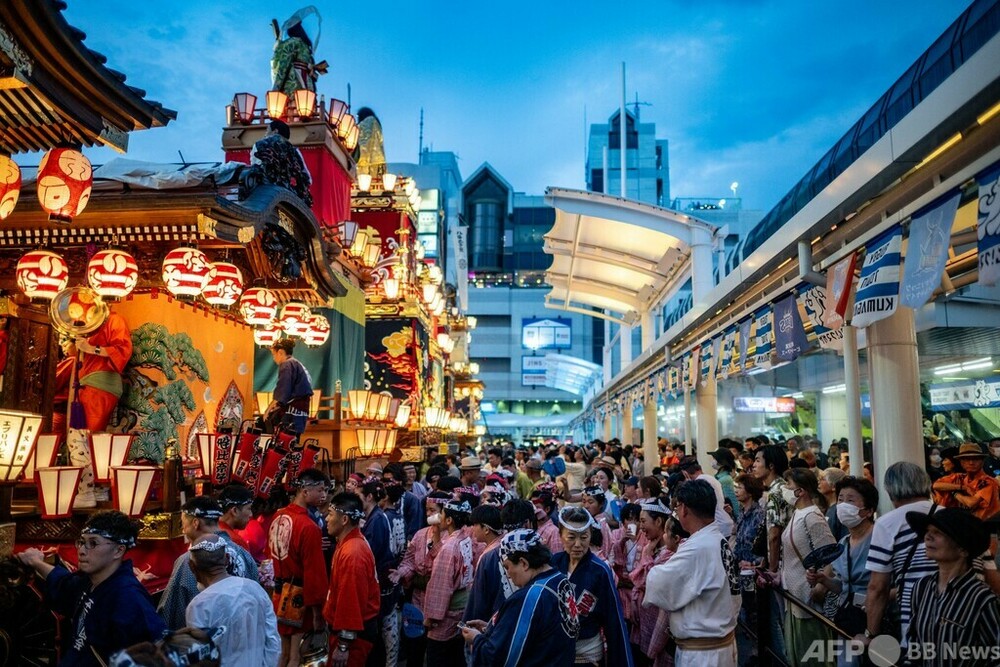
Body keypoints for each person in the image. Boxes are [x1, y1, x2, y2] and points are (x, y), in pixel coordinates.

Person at [16, 510, 166, 666]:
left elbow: (154, 652)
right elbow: (64, 583)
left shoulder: (128, 597)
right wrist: (36, 562)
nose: (81, 550)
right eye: (81, 542)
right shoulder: (92, 581)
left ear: (118, 550)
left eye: (93, 543)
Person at [645, 480, 741, 667]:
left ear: (684, 509)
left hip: (704, 656)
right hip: (716, 647)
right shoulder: (715, 538)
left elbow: (658, 583)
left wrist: (650, 558)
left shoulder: (699, 547)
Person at [462, 529, 579, 666]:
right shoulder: (561, 580)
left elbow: (497, 656)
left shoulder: (529, 597)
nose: (508, 574)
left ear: (523, 563)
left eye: (507, 567)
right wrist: (493, 628)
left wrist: (476, 639)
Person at [904, 508, 1000, 666]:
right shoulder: (921, 588)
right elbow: (914, 646)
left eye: (938, 532)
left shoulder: (982, 599)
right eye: (928, 531)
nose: (927, 537)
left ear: (963, 549)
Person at [157, 496, 258, 631]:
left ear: (195, 523)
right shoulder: (244, 555)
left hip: (204, 642)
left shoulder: (190, 560)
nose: (183, 530)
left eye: (183, 524)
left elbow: (172, 614)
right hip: (244, 639)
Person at [806, 477, 877, 665]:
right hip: (848, 621)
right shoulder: (842, 544)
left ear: (869, 510)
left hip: (876, 623)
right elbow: (846, 587)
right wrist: (824, 579)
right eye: (840, 499)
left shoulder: (880, 541)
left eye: (851, 500)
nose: (843, 505)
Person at [552, 507, 634, 666]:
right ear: (560, 536)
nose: (577, 544)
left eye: (583, 537)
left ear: (590, 536)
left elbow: (614, 621)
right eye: (571, 537)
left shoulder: (600, 571)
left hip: (588, 658)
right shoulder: (553, 564)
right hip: (557, 655)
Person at [185, 534, 280, 667]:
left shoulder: (198, 606)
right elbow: (273, 641)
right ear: (227, 560)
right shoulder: (255, 589)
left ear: (192, 567)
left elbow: (202, 657)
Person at [268, 468, 330, 667]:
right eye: (320, 490)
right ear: (305, 491)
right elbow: (315, 574)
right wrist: (318, 612)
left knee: (283, 654)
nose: (324, 495)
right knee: (297, 656)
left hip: (279, 593)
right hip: (298, 597)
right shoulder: (309, 527)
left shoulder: (277, 517)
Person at [778, 468, 835, 666]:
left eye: (788, 485)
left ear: (800, 491)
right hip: (796, 597)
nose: (785, 489)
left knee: (811, 657)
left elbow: (831, 556)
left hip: (808, 599)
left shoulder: (812, 516)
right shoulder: (799, 513)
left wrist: (820, 587)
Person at [323, 492, 382, 667]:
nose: (326, 519)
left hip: (354, 638)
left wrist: (343, 645)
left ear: (344, 520)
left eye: (331, 514)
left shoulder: (352, 553)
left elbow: (351, 601)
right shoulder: (349, 543)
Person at [424, 498, 481, 663]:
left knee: (440, 658)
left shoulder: (450, 547)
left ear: (449, 520)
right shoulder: (464, 539)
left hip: (447, 614)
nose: (438, 517)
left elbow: (441, 586)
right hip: (461, 609)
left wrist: (431, 617)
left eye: (441, 514)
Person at [630, 498, 676, 664]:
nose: (641, 527)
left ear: (658, 521)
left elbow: (649, 583)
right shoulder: (650, 546)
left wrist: (647, 556)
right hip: (645, 620)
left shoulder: (671, 554)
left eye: (643, 521)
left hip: (662, 624)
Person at [250, 119, 313, 206]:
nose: (265, 134)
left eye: (267, 130)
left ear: (275, 131)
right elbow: (307, 179)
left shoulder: (260, 144)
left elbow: (255, 166)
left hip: (264, 191)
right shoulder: (294, 151)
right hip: (287, 194)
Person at [932, 442, 1000, 519]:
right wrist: (963, 487)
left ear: (982, 461)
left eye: (975, 459)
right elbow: (936, 485)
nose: (971, 463)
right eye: (966, 459)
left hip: (983, 527)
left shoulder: (988, 482)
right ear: (961, 462)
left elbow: (971, 503)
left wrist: (954, 493)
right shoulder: (959, 477)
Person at [463, 504, 506, 624]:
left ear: (486, 529)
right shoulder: (502, 545)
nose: (472, 529)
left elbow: (480, 596)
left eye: (475, 525)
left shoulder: (490, 555)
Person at [264, 338, 314, 435]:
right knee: (293, 441)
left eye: (273, 354)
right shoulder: (296, 363)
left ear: (280, 352)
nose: (273, 358)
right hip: (301, 409)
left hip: (292, 410)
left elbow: (283, 390)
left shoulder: (287, 364)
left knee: (285, 441)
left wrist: (268, 409)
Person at [679, 456, 735, 537]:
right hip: (724, 524)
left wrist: (688, 486)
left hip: (718, 527)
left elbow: (698, 507)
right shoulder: (709, 478)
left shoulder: (700, 483)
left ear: (685, 473)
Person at [580, 486, 615, 562]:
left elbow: (604, 551)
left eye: (590, 502)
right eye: (584, 501)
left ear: (601, 504)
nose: (586, 506)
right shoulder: (587, 521)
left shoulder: (600, 524)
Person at [218, 484, 255, 554]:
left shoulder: (207, 531)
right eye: (249, 508)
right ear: (235, 511)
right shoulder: (236, 542)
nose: (251, 514)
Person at [818, 468, 848, 541]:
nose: (819, 482)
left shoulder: (839, 510)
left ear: (833, 486)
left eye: (823, 479)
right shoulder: (829, 507)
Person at [710, 449, 740, 520]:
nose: (712, 461)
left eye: (714, 459)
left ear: (721, 462)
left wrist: (736, 518)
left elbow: (732, 501)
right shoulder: (720, 477)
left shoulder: (725, 480)